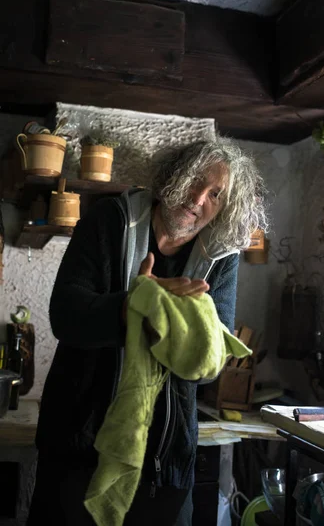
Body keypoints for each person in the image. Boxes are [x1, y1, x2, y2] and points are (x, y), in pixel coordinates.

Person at [27, 138, 268, 526]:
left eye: (216, 194)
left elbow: (212, 362)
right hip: (78, 447)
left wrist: (160, 317)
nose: (198, 198)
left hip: (165, 457)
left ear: (225, 207)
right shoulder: (109, 219)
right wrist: (132, 305)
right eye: (195, 181)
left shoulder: (221, 256)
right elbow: (66, 316)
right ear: (173, 176)